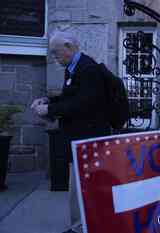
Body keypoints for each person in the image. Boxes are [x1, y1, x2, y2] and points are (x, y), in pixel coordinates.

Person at [31, 31, 111, 233]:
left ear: (68, 46)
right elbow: (69, 98)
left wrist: (49, 110)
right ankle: (83, 225)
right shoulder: (73, 68)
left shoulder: (88, 68)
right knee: (79, 186)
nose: (54, 57)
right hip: (78, 137)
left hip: (87, 139)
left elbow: (82, 104)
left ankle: (79, 228)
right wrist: (49, 101)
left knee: (79, 187)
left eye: (56, 53)